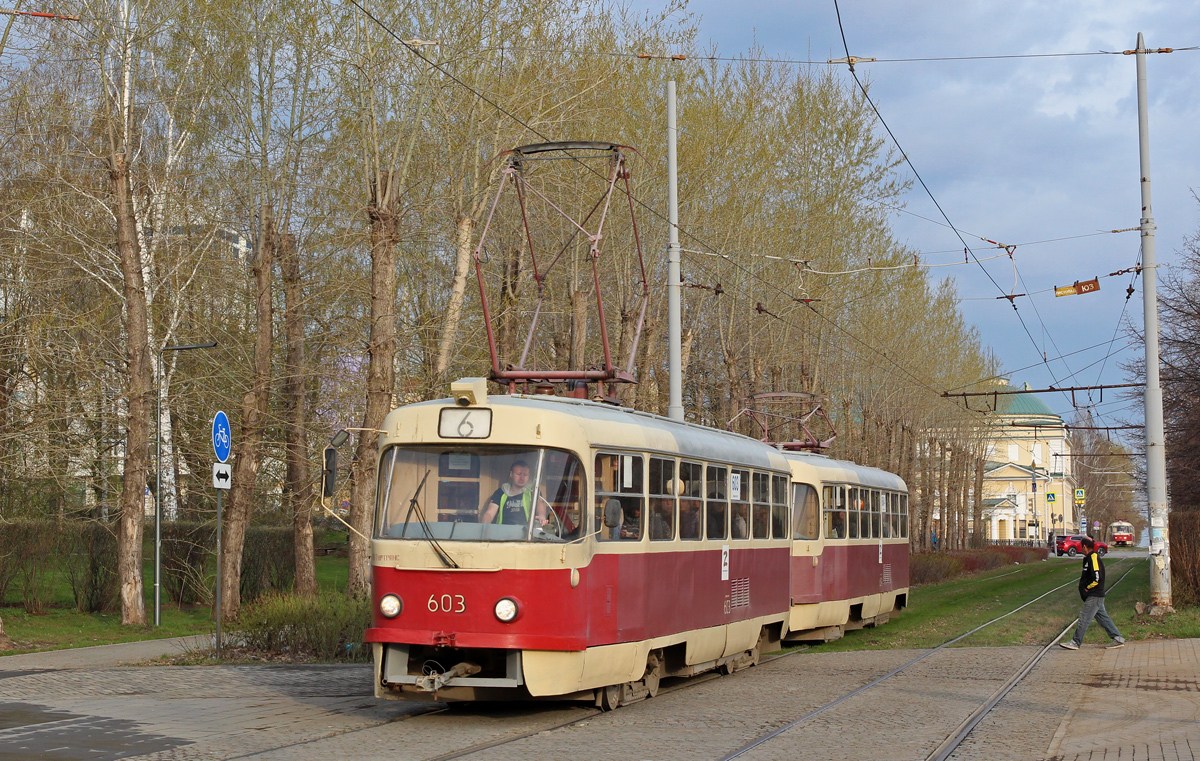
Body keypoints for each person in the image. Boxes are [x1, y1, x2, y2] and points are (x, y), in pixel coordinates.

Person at [1060, 536, 1125, 650]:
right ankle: (1118, 638)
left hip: (1094, 595)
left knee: (1084, 618)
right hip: (1095, 596)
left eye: (1081, 547)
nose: (1081, 549)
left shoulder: (1093, 557)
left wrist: (1087, 588)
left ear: (1085, 547)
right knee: (1103, 618)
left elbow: (1097, 577)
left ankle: (1075, 642)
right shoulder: (1088, 558)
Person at [480, 460, 549, 527]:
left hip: (527, 535)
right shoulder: (501, 492)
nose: (522, 478)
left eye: (525, 475)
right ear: (511, 474)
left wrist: (542, 516)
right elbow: (489, 513)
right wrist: (484, 526)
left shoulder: (533, 491)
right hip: (502, 535)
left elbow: (540, 504)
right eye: (519, 474)